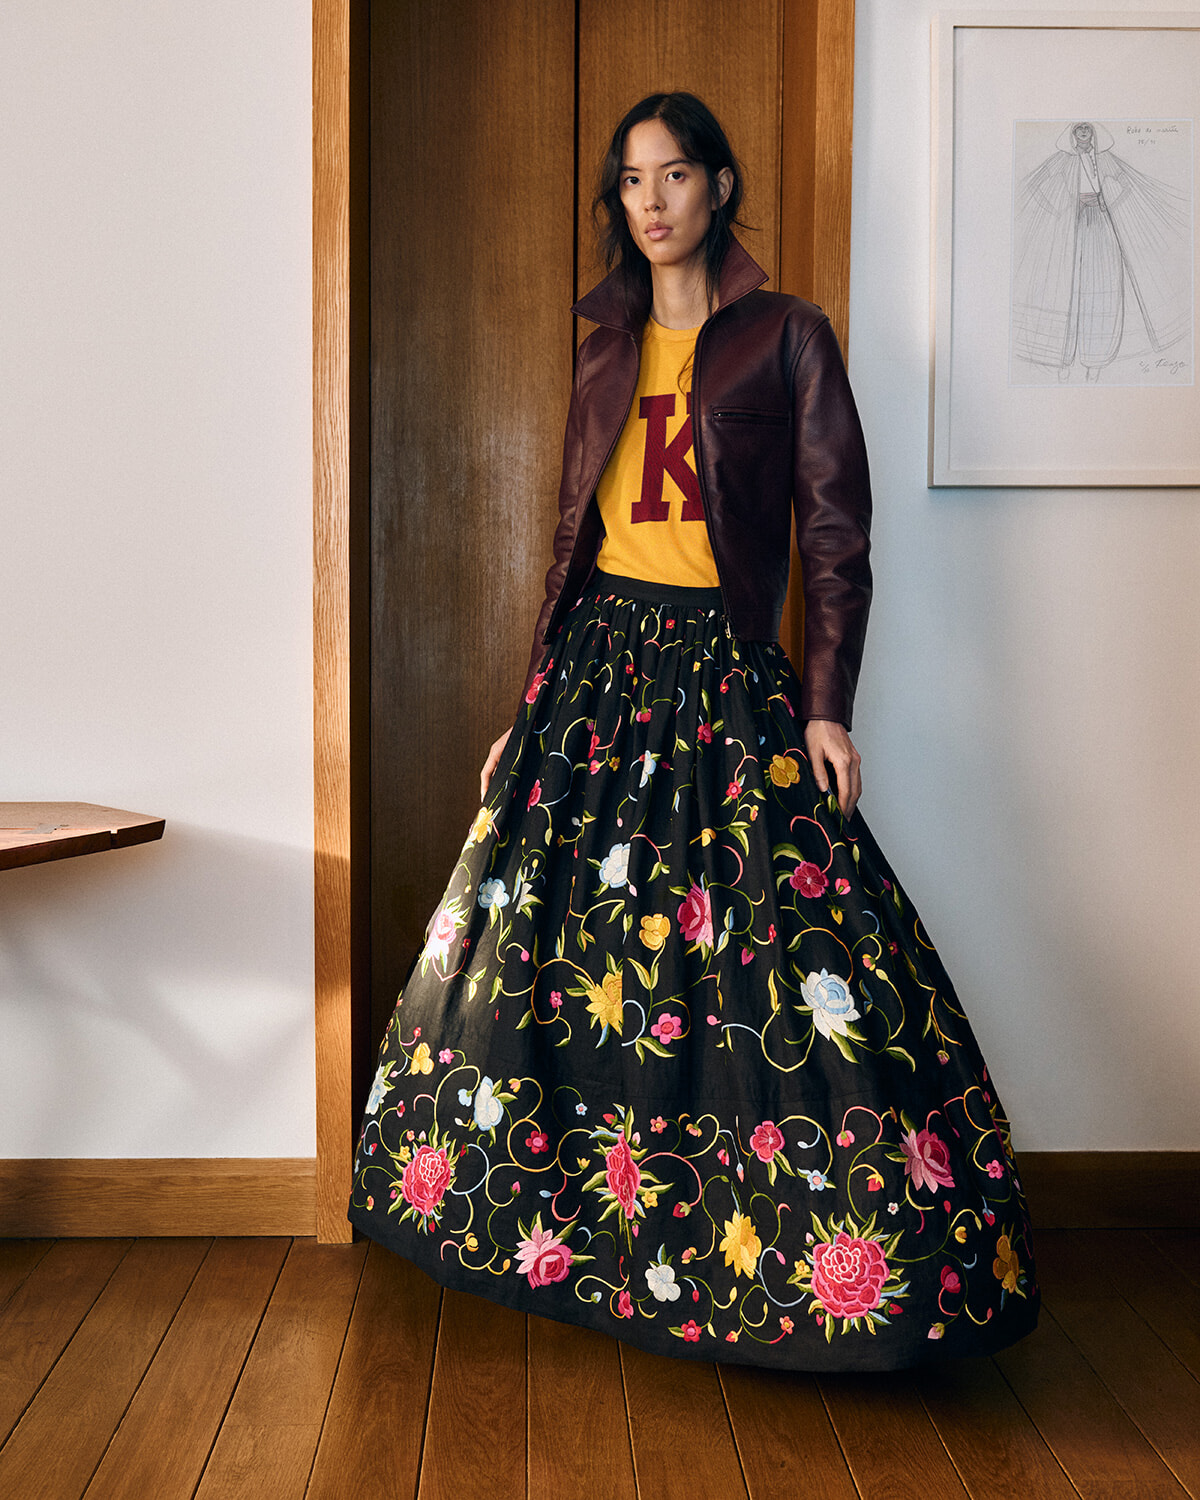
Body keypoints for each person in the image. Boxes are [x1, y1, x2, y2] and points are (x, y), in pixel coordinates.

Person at [349, 92, 1039, 1370]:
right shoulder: (603, 344)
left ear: (720, 187)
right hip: (599, 668)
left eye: (674, 176)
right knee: (557, 958)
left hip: (722, 670)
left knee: (778, 955)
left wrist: (826, 701)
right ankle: (594, 1247)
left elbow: (834, 533)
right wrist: (526, 707)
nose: (651, 202)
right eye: (630, 182)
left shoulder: (788, 337)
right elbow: (572, 542)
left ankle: (811, 1267)